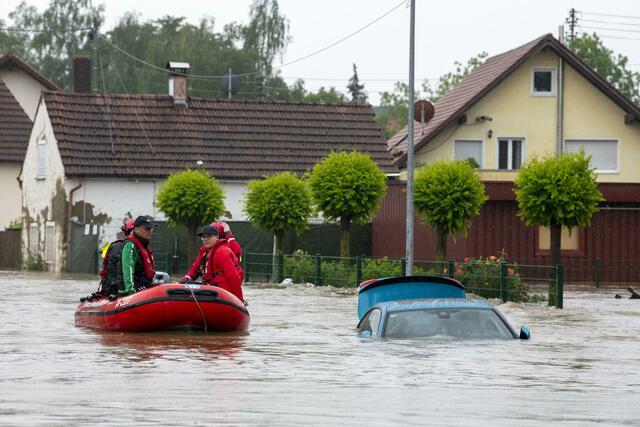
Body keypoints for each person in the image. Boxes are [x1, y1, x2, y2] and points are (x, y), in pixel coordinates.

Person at [182, 224, 243, 301]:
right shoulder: (204, 251)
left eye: (209, 236)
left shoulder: (223, 252)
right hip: (211, 288)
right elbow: (196, 268)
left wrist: (239, 299)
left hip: (223, 291)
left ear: (217, 237)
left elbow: (233, 277)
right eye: (203, 237)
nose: (205, 239)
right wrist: (186, 279)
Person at [119, 215, 157, 294]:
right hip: (135, 289)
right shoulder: (130, 245)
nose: (150, 231)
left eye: (151, 228)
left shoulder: (144, 244)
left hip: (145, 286)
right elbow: (127, 269)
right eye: (147, 228)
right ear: (136, 229)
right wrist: (130, 291)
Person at [98, 219, 135, 296]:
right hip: (115, 289)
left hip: (115, 287)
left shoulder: (139, 248)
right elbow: (106, 270)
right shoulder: (115, 247)